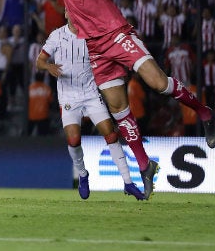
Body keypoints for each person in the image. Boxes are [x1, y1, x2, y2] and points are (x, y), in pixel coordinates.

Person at [12, 0, 215, 200]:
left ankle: (205, 112)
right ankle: (145, 165)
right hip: (95, 48)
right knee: (120, 110)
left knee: (158, 82)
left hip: (116, 34)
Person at [36, 16, 145, 200]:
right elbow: (39, 62)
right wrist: (49, 66)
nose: (72, 13)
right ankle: (83, 174)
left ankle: (128, 182)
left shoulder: (92, 35)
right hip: (69, 97)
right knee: (73, 139)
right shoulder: (56, 35)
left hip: (91, 94)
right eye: (68, 10)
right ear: (65, 14)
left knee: (110, 134)